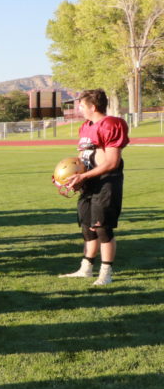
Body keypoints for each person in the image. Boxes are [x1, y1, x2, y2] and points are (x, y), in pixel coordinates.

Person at [59, 88, 128, 286]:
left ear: (93, 106)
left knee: (102, 228)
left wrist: (84, 175)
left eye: (81, 105)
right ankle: (86, 268)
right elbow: (81, 157)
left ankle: (106, 272)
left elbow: (112, 162)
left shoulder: (112, 124)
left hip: (106, 182)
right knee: (87, 227)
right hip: (89, 183)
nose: (79, 108)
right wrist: (71, 177)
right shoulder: (85, 126)